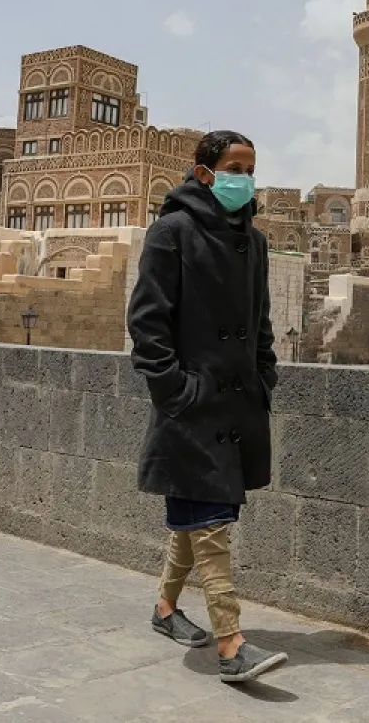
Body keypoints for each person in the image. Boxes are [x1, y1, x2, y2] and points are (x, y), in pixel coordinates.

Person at [127, 130, 288, 684]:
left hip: (238, 404)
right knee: (212, 524)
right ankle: (230, 643)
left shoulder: (257, 242)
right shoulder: (171, 232)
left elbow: (261, 322)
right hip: (193, 407)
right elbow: (147, 323)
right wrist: (177, 392)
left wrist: (264, 376)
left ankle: (166, 609)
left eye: (250, 166)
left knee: (200, 515)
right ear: (203, 172)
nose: (243, 177)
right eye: (233, 166)